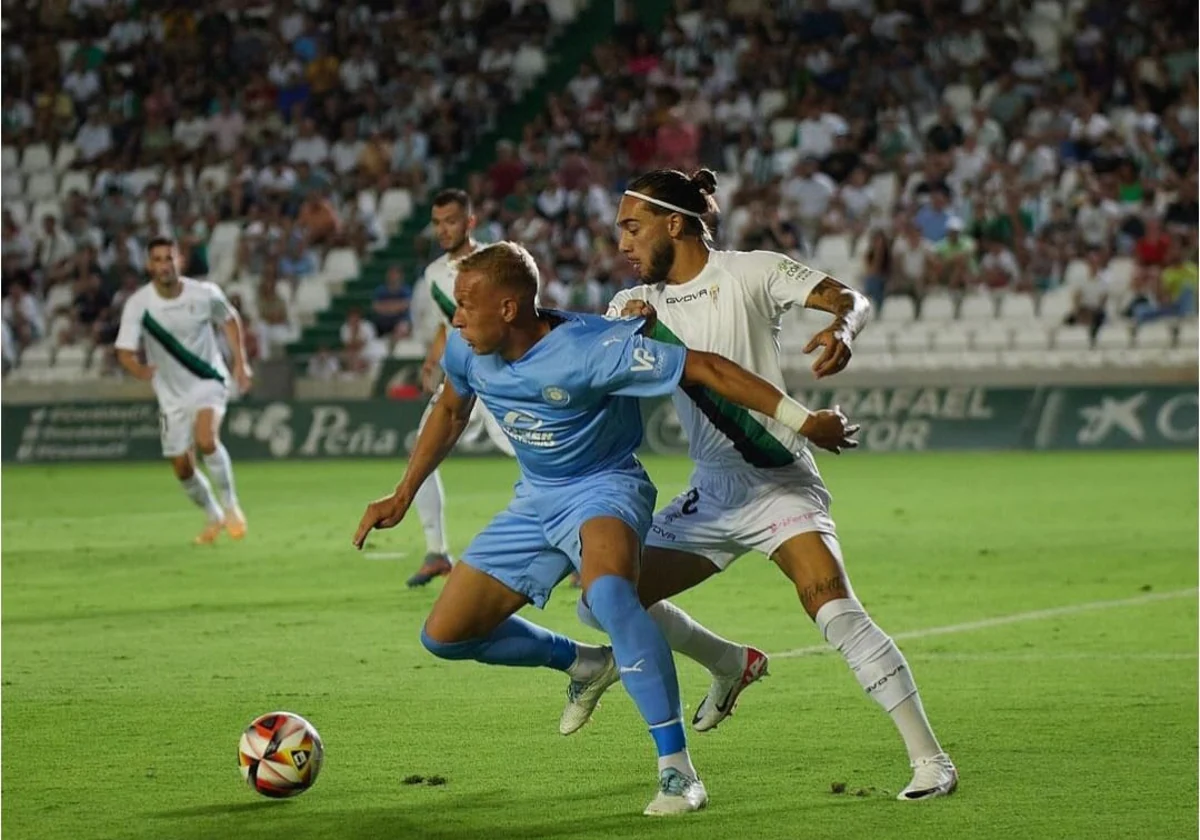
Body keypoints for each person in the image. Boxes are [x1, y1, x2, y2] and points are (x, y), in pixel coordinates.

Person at [352, 241, 857, 816]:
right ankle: (585, 663)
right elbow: (449, 410)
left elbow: (708, 368)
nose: (457, 316)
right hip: (535, 500)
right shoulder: (467, 350)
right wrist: (403, 492)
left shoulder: (594, 349)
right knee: (445, 635)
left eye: (467, 303)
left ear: (511, 308)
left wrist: (802, 418)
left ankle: (677, 773)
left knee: (612, 595)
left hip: (604, 487)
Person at [559, 168, 958, 802]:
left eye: (632, 229)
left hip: (778, 482)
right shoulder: (632, 305)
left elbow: (850, 297)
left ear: (676, 223)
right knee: (599, 599)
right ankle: (728, 663)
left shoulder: (750, 272)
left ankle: (930, 761)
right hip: (711, 490)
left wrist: (843, 330)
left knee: (833, 608)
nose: (623, 246)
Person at [406, 189, 518, 588]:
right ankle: (436, 552)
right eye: (436, 223)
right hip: (463, 375)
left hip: (501, 373)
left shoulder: (497, 260)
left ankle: (578, 545)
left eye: (450, 221)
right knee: (422, 452)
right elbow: (446, 323)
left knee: (532, 455)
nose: (442, 229)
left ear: (470, 222)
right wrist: (432, 361)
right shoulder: (434, 273)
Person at [115, 236, 252, 544]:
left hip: (208, 378)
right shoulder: (139, 304)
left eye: (169, 258)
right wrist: (139, 370)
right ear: (149, 265)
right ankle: (213, 514)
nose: (164, 265)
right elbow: (124, 351)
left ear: (181, 261)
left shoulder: (204, 294)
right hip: (170, 393)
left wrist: (241, 364)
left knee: (206, 439)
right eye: (158, 259)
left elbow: (229, 321)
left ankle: (231, 506)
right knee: (181, 466)